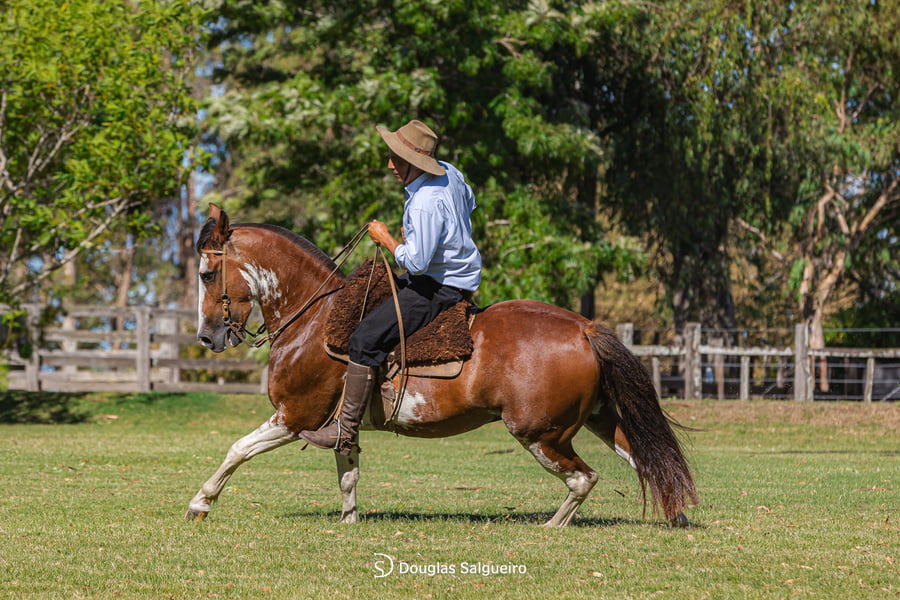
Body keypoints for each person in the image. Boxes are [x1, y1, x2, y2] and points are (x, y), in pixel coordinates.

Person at [300, 119, 482, 454]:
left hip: (437, 286)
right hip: (454, 276)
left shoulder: (426, 200)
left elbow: (417, 263)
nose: (389, 164)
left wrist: (387, 239)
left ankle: (346, 429)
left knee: (364, 338)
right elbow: (468, 204)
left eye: (396, 159)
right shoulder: (450, 172)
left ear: (414, 162)